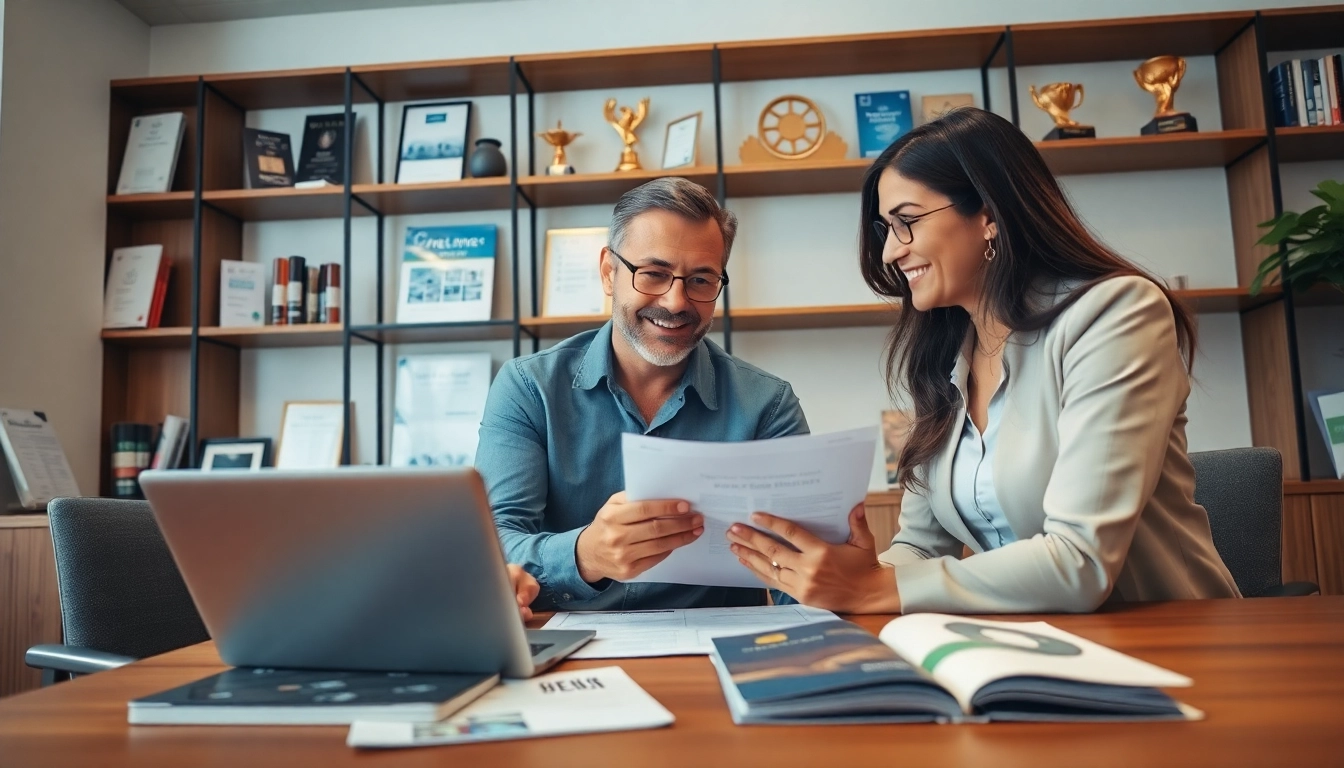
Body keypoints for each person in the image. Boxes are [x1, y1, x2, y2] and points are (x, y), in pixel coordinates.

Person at [725, 108, 1241, 614]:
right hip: (1039, 649)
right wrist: (850, 577)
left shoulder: (1115, 314)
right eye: (886, 229)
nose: (889, 253)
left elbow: (1080, 562)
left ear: (989, 215)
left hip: (1174, 641)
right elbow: (922, 550)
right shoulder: (945, 360)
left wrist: (873, 590)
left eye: (906, 222)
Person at [478, 177, 808, 612]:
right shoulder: (529, 387)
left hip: (718, 654)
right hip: (567, 653)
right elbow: (492, 542)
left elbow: (799, 576)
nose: (675, 301)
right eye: (653, 273)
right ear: (608, 273)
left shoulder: (768, 405)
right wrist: (584, 555)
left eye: (701, 280)